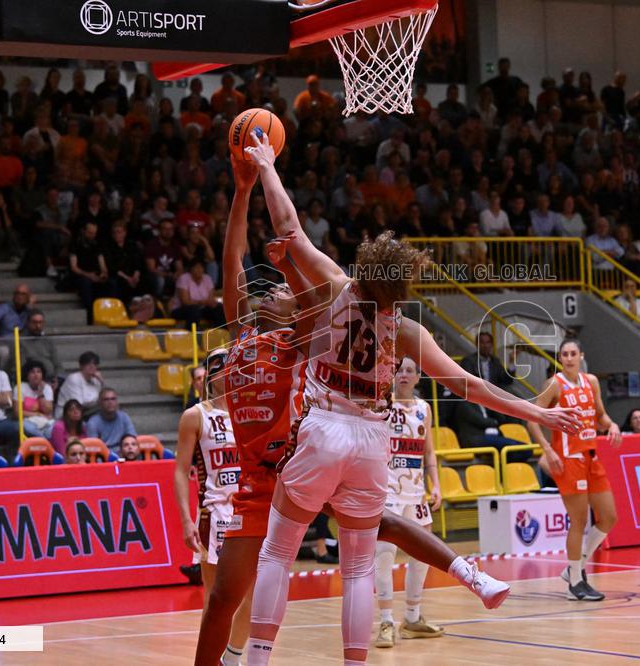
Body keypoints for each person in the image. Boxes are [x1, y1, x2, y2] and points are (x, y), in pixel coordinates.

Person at [244, 136, 576, 666]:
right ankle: (357, 661)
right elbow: (473, 386)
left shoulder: (335, 286)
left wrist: (266, 167)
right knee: (358, 567)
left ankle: (256, 658)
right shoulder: (407, 331)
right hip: (375, 438)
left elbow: (289, 227)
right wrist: (537, 411)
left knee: (278, 551)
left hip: (327, 424)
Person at [194, 156, 516, 666]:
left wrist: (289, 268)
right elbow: (232, 260)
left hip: (297, 460)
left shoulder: (308, 335)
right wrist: (241, 191)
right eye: (271, 289)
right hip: (254, 482)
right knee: (221, 601)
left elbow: (316, 288)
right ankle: (235, 658)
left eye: (283, 290)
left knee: (379, 526)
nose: (274, 292)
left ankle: (467, 573)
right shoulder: (240, 332)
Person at [525, 339, 620, 602]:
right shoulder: (555, 384)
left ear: (581, 356)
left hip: (591, 457)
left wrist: (612, 425)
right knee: (578, 521)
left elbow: (600, 415)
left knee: (609, 516)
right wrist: (547, 448)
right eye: (564, 354)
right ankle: (575, 583)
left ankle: (573, 569)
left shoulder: (591, 382)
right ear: (560, 358)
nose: (569, 358)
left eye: (573, 353)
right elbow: (532, 417)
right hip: (568, 459)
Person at [375, 357, 444, 648]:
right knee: (384, 556)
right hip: (387, 492)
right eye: (399, 370)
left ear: (417, 377)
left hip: (416, 493)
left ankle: (412, 618)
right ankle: (387, 621)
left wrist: (436, 484)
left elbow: (428, 452)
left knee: (423, 555)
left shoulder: (424, 409)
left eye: (409, 371)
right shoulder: (381, 404)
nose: (403, 375)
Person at [174, 348, 244, 634]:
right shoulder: (195, 416)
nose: (229, 375)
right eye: (222, 370)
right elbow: (180, 471)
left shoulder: (248, 413)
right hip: (214, 515)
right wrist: (186, 519)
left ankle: (235, 656)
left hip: (248, 510)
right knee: (216, 597)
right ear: (211, 377)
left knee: (250, 595)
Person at [55, 351, 104, 418]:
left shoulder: (96, 380)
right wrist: (99, 401)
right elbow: (78, 405)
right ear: (81, 366)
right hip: (67, 414)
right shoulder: (74, 378)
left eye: (94, 364)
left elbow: (105, 397)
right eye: (88, 363)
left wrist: (102, 382)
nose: (92, 366)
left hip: (88, 412)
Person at [19, 359, 54, 439]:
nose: (36, 375)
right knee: (28, 427)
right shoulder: (21, 387)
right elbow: (18, 412)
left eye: (38, 372)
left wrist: (41, 394)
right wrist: (38, 414)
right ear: (27, 375)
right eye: (32, 372)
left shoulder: (47, 388)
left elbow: (48, 411)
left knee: (55, 428)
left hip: (45, 422)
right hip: (27, 421)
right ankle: (44, 442)